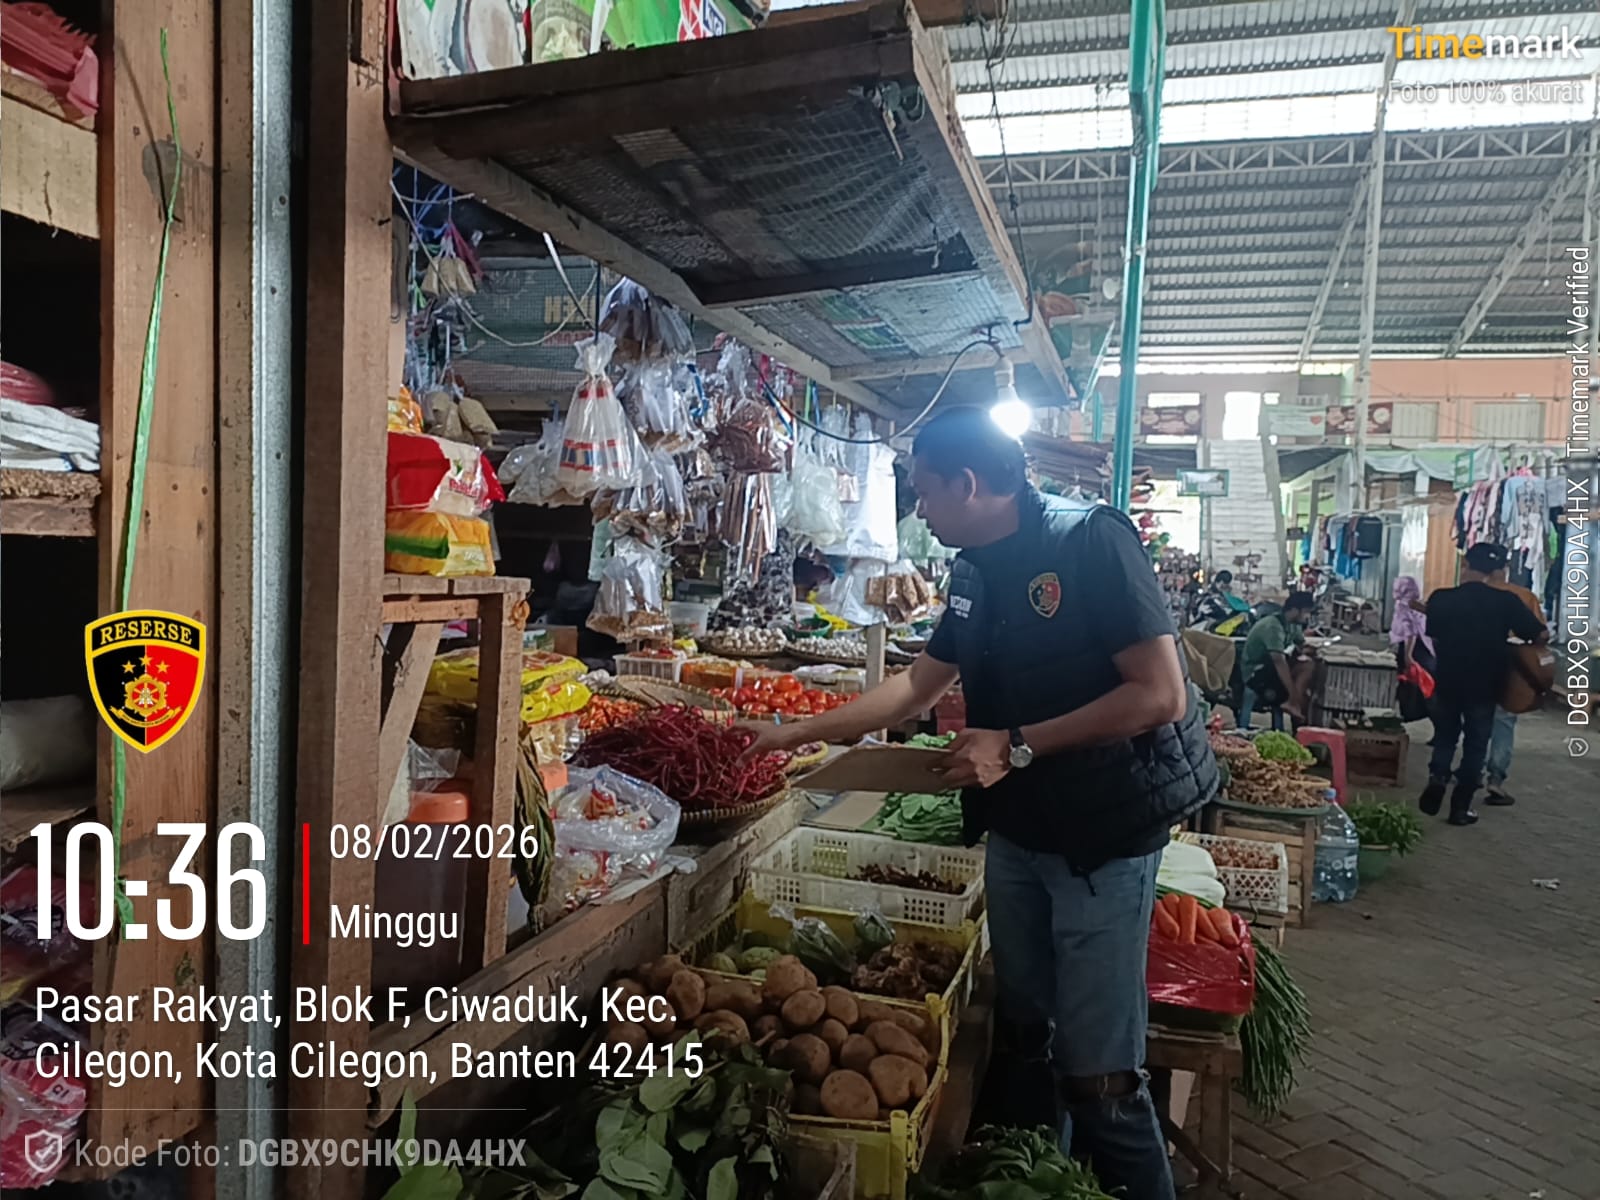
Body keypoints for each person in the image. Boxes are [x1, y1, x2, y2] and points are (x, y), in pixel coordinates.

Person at [742, 407, 1217, 1200]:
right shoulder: (971, 569)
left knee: (1099, 1072)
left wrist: (1017, 742)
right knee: (1026, 1033)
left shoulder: (1091, 541)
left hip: (1104, 832)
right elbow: (916, 687)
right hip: (1019, 825)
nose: (920, 508)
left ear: (966, 484)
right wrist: (794, 733)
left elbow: (1160, 694)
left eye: (925, 491)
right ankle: (1044, 1175)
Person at [1420, 542, 1548, 825]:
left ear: (1465, 564)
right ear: (1496, 571)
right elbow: (1539, 635)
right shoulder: (1507, 602)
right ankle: (1460, 808)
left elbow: (1435, 635)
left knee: (1445, 736)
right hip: (1487, 684)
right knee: (1476, 745)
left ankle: (1438, 776)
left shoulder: (1441, 597)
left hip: (1448, 679)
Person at [1483, 563, 1548, 806]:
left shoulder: (1472, 594)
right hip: (1512, 671)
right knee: (1504, 722)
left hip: (1476, 666)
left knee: (1475, 720)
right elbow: (1541, 634)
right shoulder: (1524, 596)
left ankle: (1470, 772)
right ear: (1504, 569)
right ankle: (1495, 779)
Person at [1236, 591, 1316, 729]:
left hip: (1270, 668)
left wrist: (1312, 650)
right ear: (1294, 610)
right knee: (1294, 677)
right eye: (1306, 612)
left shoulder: (1293, 625)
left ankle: (1294, 707)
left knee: (1308, 666)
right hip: (1255, 672)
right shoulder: (1273, 626)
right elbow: (1279, 661)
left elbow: (1301, 644)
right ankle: (1292, 703)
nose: (1308, 616)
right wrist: (1292, 694)